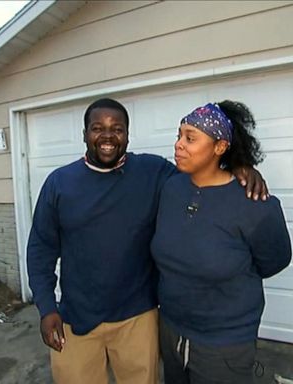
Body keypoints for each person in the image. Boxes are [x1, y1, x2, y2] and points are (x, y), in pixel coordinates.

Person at [26, 98, 268, 384]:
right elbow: (41, 249)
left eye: (117, 129)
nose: (107, 136)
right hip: (75, 318)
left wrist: (239, 167)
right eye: (97, 128)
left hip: (137, 317)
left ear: (128, 135)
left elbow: (205, 169)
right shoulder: (59, 183)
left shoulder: (153, 172)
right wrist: (46, 307)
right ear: (84, 134)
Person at [151, 101, 292, 384]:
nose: (179, 144)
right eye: (179, 135)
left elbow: (274, 261)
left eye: (190, 138)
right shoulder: (171, 187)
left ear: (220, 147)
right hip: (171, 330)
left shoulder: (255, 205)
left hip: (224, 344)